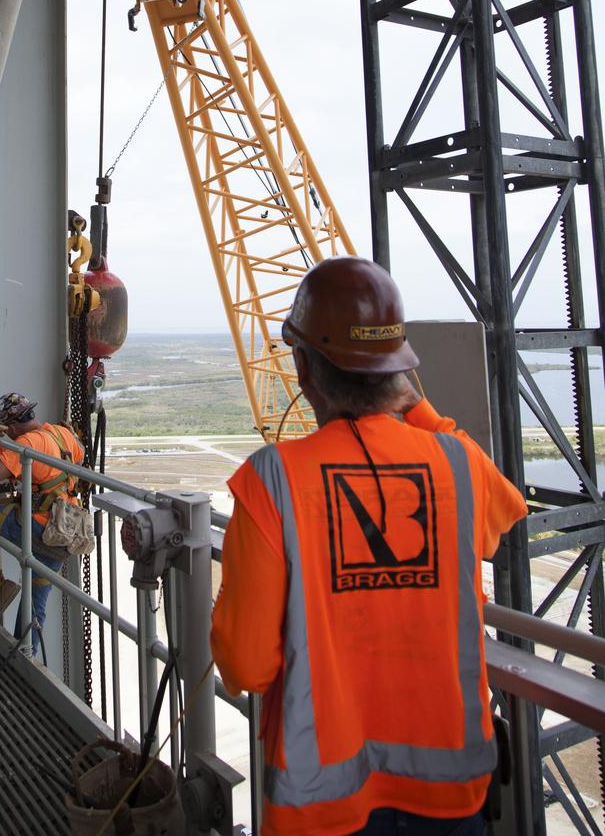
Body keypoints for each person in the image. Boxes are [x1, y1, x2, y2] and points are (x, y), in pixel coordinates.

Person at [210, 257, 528, 836]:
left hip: (325, 808)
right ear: (399, 373)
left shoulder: (270, 482)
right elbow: (506, 511)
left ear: (304, 369)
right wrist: (420, 411)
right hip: (454, 796)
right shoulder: (460, 466)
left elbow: (245, 665)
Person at [0, 392, 85, 631]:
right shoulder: (61, 433)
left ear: (11, 426)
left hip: (41, 526)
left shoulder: (29, 443)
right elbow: (80, 451)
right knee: (36, 604)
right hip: (67, 528)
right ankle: (25, 653)